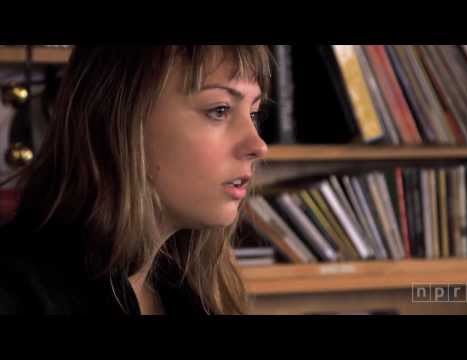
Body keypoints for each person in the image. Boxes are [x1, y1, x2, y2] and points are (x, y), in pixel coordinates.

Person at [0, 45, 272, 315]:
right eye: (220, 110)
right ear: (119, 119)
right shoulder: (16, 293)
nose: (258, 145)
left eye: (253, 113)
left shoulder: (186, 290)